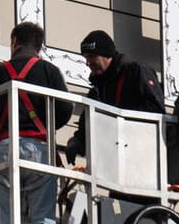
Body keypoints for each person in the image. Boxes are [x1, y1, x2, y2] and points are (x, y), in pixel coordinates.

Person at [0, 21, 72, 224]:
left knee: (5, 215)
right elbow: (65, 109)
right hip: (39, 151)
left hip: (4, 149)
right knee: (43, 216)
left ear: (14, 43)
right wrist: (47, 126)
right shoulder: (48, 72)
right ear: (38, 47)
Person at [66, 29, 164, 163]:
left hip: (140, 156)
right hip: (111, 161)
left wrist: (120, 118)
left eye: (91, 57)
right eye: (86, 58)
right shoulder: (97, 90)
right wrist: (77, 142)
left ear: (106, 55)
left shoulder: (136, 71)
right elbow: (86, 126)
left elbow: (156, 109)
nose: (87, 63)